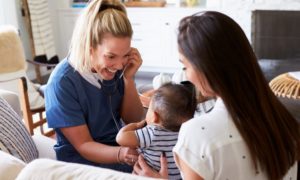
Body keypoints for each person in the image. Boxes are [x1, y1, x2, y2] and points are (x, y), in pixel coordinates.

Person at [133, 11, 300, 179]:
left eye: (185, 66)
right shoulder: (284, 120)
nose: (187, 76)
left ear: (205, 68)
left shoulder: (196, 134)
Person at [45, 0, 144, 172]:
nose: (119, 65)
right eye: (111, 56)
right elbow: (84, 145)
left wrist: (129, 80)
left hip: (117, 148)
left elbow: (134, 120)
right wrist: (121, 154)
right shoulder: (62, 83)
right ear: (88, 47)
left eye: (125, 55)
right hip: (81, 162)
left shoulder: (117, 69)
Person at [116, 82, 197, 179]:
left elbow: (120, 138)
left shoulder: (153, 133)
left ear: (154, 116)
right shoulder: (186, 133)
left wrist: (136, 125)